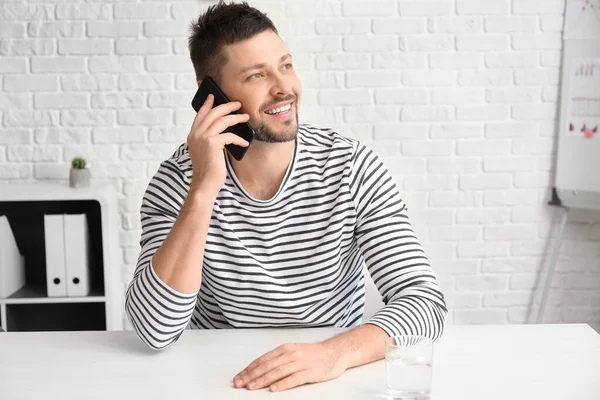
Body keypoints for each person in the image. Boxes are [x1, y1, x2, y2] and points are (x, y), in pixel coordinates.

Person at [125, 0, 447, 393]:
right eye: (257, 74)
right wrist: (204, 190)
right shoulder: (177, 182)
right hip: (219, 381)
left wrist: (333, 353)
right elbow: (152, 331)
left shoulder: (351, 167)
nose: (284, 88)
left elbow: (425, 303)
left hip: (332, 377)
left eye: (286, 65)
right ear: (212, 94)